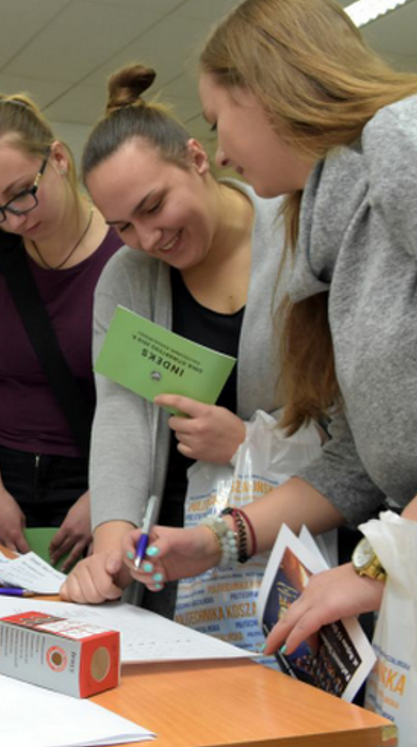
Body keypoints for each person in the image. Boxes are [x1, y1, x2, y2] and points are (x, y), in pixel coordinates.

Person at [121, 0, 417, 743]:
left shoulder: (407, 136)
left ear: (266, 90)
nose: (220, 152)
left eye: (219, 121)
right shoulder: (329, 232)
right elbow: (363, 457)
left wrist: (378, 568)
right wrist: (218, 540)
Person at [59, 65, 288, 618]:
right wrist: (113, 540)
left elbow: (345, 423)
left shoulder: (296, 235)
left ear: (198, 158)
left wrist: (250, 442)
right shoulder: (128, 278)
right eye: (122, 227)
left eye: (154, 206)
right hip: (177, 552)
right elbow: (122, 412)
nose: (148, 238)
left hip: (298, 536)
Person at [0, 93, 123, 570]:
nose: (14, 219)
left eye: (22, 191)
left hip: (95, 473)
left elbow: (150, 399)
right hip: (0, 474)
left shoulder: (125, 250)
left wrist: (108, 495)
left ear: (60, 159)